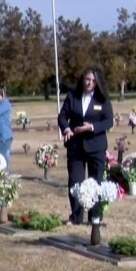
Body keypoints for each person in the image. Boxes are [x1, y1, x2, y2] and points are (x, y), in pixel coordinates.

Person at [58, 67, 115, 225]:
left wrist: (92, 127)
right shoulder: (72, 96)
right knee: (75, 182)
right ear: (83, 80)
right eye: (87, 79)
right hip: (75, 146)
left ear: (97, 82)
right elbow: (62, 116)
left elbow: (108, 121)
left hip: (96, 146)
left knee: (96, 182)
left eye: (93, 81)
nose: (89, 83)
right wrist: (66, 129)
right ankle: (76, 217)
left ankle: (94, 216)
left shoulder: (102, 99)